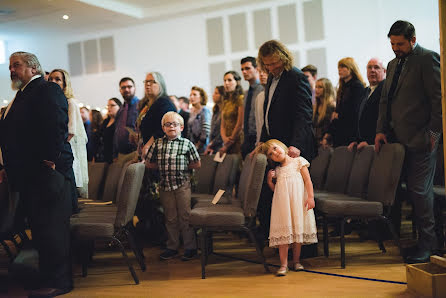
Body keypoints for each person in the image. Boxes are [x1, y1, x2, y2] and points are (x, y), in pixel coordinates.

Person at [0, 51, 74, 296]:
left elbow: (56, 126)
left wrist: (49, 161)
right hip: (30, 175)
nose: (12, 70)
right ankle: (47, 277)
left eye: (17, 65)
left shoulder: (46, 89)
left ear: (33, 68)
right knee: (42, 230)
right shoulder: (23, 94)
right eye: (10, 66)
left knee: (52, 230)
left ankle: (59, 282)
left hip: (46, 173)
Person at [375, 20, 442, 263]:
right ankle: (421, 241)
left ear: (413, 39)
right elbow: (385, 101)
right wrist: (380, 130)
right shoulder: (393, 64)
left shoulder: (428, 59)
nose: (395, 48)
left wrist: (433, 136)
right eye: (392, 44)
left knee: (421, 193)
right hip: (396, 142)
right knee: (409, 194)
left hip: (422, 141)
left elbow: (439, 101)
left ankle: (430, 245)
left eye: (400, 44)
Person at [256, 40, 315, 245]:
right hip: (276, 146)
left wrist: (296, 143)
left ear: (283, 57)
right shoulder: (272, 78)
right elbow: (268, 113)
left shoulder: (296, 77)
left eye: (274, 63)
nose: (271, 68)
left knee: (295, 202)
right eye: (267, 65)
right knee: (277, 198)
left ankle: (302, 249)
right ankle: (279, 243)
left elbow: (304, 114)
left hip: (292, 149)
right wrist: (263, 141)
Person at [146, 111, 201, 261]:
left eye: (175, 124)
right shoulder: (158, 143)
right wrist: (162, 167)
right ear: (163, 128)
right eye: (168, 124)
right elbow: (149, 162)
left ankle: (190, 247)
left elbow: (197, 163)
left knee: (185, 216)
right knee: (170, 217)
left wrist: (182, 168)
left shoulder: (187, 144)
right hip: (165, 186)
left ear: (181, 127)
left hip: (182, 185)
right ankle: (172, 246)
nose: (171, 127)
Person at [258, 139, 317, 276]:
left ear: (282, 146)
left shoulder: (298, 161)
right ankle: (283, 265)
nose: (275, 153)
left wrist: (310, 197)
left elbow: (308, 181)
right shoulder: (277, 171)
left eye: (275, 148)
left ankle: (296, 261)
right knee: (284, 235)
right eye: (271, 153)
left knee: (297, 234)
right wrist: (269, 181)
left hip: (298, 203)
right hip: (283, 206)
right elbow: (276, 190)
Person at [49, 69, 89, 198]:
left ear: (65, 83)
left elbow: (70, 131)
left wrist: (56, 149)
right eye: (50, 79)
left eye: (57, 79)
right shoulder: (52, 102)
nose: (53, 82)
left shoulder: (70, 102)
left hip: (67, 149)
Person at [325, 57, 366, 147]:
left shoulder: (357, 86)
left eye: (343, 67)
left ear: (351, 68)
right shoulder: (342, 87)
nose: (340, 70)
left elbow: (355, 110)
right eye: (339, 67)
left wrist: (339, 115)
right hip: (341, 130)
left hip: (350, 132)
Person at [348, 58, 386, 151]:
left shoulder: (386, 90)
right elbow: (359, 117)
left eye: (376, 67)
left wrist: (370, 140)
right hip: (362, 144)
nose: (372, 70)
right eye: (369, 67)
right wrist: (356, 140)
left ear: (384, 71)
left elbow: (383, 118)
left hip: (376, 144)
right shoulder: (365, 91)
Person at [140, 72, 177, 158]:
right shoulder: (147, 104)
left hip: (164, 151)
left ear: (161, 84)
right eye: (146, 81)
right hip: (150, 150)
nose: (148, 84)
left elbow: (164, 128)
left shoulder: (164, 103)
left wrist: (148, 145)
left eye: (152, 81)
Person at [241, 56, 264, 158]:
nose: (244, 72)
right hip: (247, 137)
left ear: (256, 69)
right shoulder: (246, 93)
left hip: (259, 137)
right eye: (242, 69)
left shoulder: (263, 90)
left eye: (247, 68)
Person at [113, 77, 139, 162]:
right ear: (120, 90)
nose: (126, 89)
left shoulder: (141, 106)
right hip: (121, 155)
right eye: (123, 87)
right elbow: (116, 131)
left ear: (134, 88)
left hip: (136, 152)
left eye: (129, 86)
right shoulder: (121, 110)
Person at [220, 71, 244, 154]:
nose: (226, 83)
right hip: (226, 140)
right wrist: (224, 139)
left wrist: (230, 140)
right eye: (225, 80)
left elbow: (240, 124)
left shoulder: (240, 98)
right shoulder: (225, 101)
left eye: (229, 80)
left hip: (237, 139)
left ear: (236, 82)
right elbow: (222, 124)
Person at [187, 86, 211, 153]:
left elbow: (206, 130)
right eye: (190, 95)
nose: (191, 97)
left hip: (202, 147)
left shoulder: (205, 110)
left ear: (201, 97)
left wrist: (198, 145)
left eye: (194, 95)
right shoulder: (192, 112)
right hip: (193, 145)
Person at [313, 78, 336, 146]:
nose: (317, 89)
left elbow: (331, 125)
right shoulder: (315, 107)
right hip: (316, 143)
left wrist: (326, 138)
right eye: (316, 87)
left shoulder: (332, 106)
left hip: (327, 143)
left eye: (320, 87)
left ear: (327, 89)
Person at [204, 86, 224, 154]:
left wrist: (212, 143)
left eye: (216, 93)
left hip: (221, 144)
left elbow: (221, 131)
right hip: (213, 145)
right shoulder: (216, 111)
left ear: (222, 95)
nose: (213, 95)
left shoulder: (224, 111)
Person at [101, 97, 122, 163]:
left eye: (112, 105)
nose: (109, 108)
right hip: (103, 156)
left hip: (114, 157)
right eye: (108, 106)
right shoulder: (105, 122)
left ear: (119, 107)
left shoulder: (120, 122)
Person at [254, 68, 269, 146]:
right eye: (260, 71)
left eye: (265, 71)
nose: (261, 74)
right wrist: (258, 142)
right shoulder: (259, 97)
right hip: (262, 143)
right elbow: (258, 123)